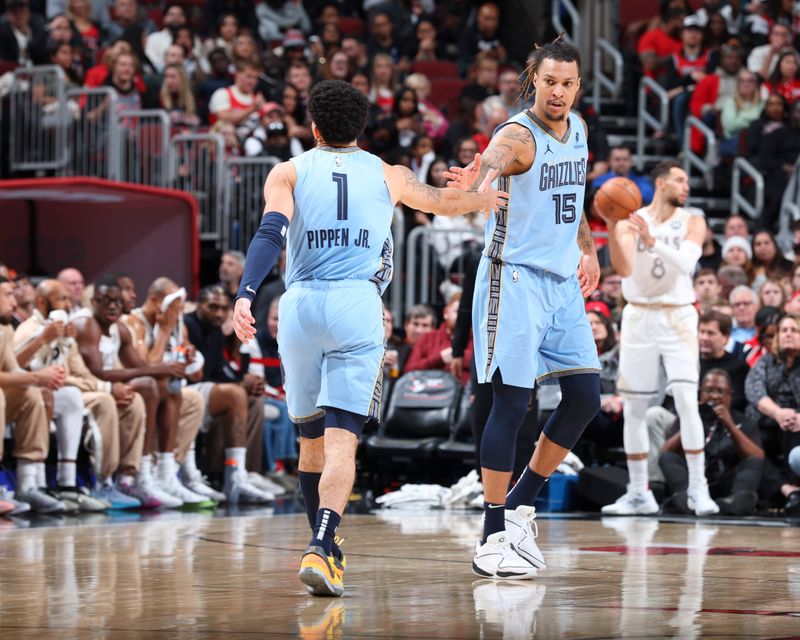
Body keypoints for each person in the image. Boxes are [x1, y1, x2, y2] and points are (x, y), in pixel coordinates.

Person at [231, 79, 507, 597]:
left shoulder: (288, 171)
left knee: (310, 439)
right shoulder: (389, 173)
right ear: (362, 128)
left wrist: (246, 294)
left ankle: (325, 550)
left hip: (300, 306)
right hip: (357, 305)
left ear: (312, 127)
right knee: (342, 440)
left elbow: (270, 233)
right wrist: (482, 196)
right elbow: (443, 202)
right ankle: (323, 542)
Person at [444, 36, 602, 578]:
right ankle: (492, 534)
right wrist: (479, 177)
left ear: (578, 86)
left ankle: (518, 504)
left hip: (560, 282)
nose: (557, 92)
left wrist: (588, 248)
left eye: (567, 83)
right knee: (511, 405)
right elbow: (496, 155)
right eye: (549, 82)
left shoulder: (579, 129)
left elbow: (574, 198)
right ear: (534, 80)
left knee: (584, 395)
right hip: (511, 279)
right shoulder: (518, 133)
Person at [598, 160, 719, 517]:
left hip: (678, 315)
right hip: (639, 314)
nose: (686, 186)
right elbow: (623, 269)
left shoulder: (693, 220)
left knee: (685, 397)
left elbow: (687, 263)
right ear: (661, 183)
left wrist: (652, 242)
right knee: (634, 406)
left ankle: (699, 487)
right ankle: (638, 492)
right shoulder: (629, 220)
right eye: (680, 180)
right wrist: (610, 226)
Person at [659, 369, 764, 516]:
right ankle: (687, 501)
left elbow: (757, 456)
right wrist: (691, 420)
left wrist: (730, 425)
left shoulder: (742, 420)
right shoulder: (687, 418)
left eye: (720, 391)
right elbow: (666, 452)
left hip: (727, 484)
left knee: (753, 463)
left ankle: (728, 505)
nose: (714, 396)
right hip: (693, 484)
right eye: (708, 391)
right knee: (668, 458)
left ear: (730, 395)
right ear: (701, 393)